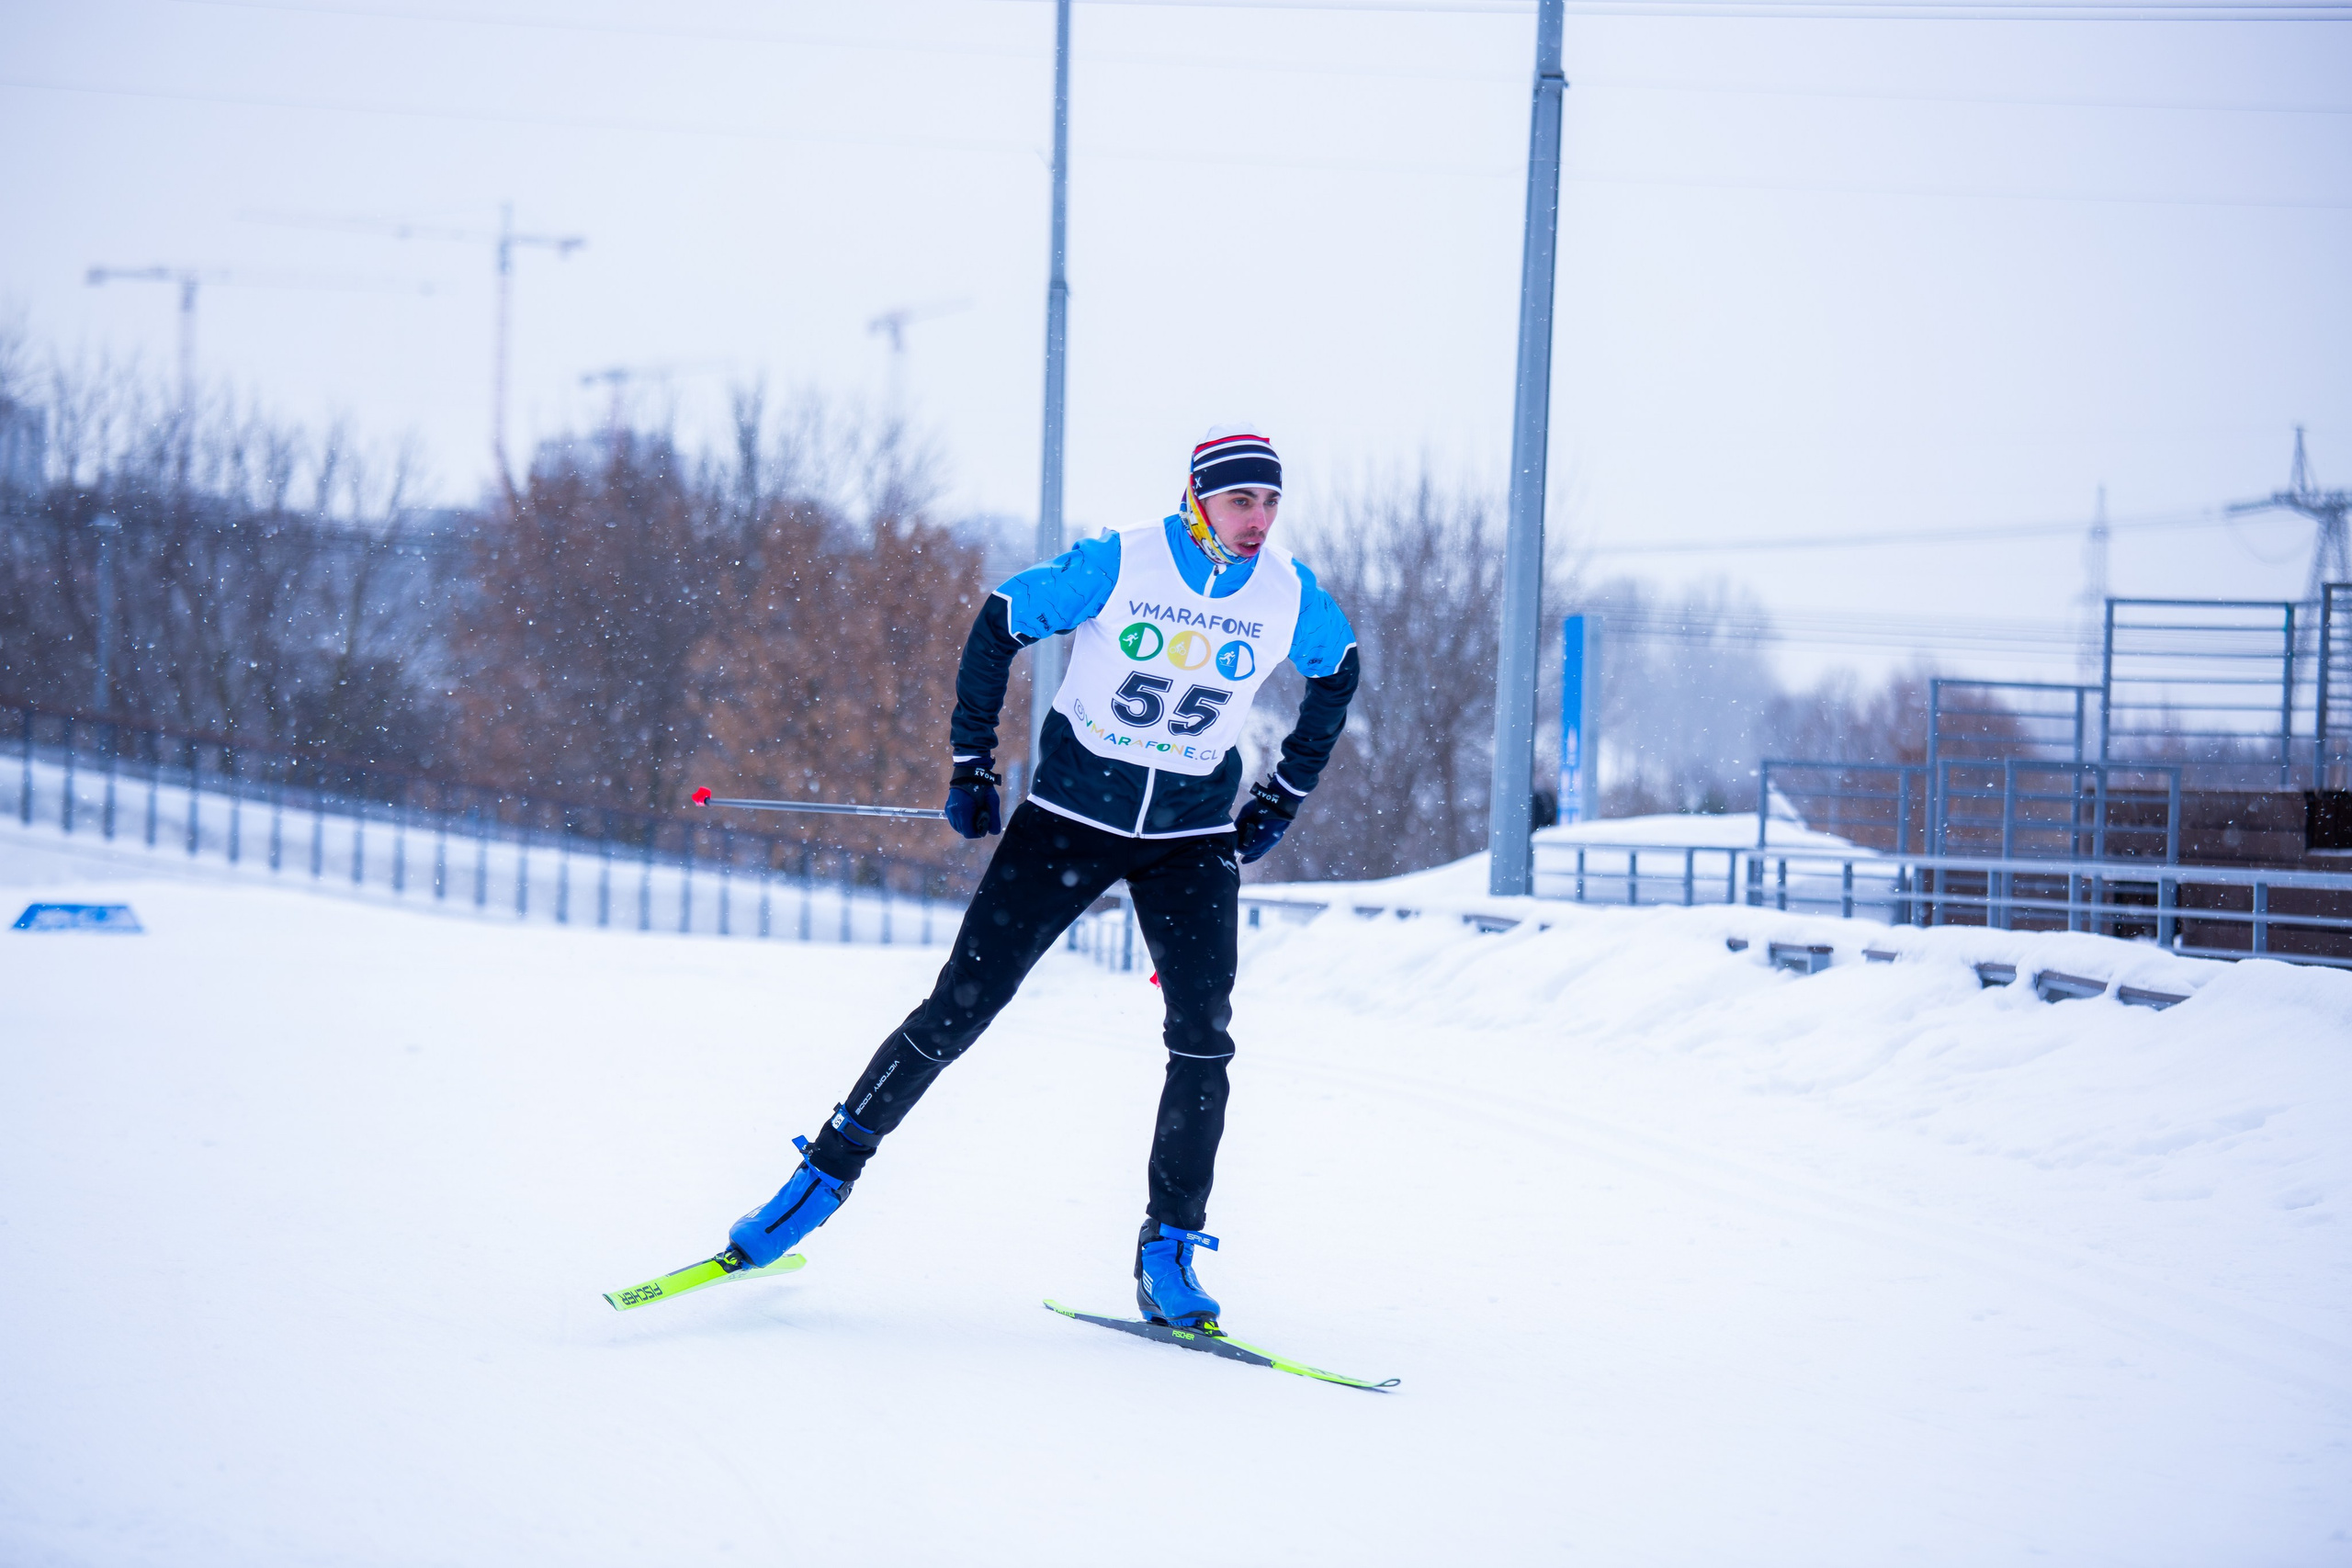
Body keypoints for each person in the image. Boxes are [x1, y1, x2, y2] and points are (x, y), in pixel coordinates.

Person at [726, 427, 1359, 1328]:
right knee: (958, 1008)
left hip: (1189, 836)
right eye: (1239, 500)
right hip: (1070, 819)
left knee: (1203, 1040)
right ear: (1197, 498)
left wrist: (1283, 793)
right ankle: (816, 1183)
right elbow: (1000, 620)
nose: (1257, 519)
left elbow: (1340, 672)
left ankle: (1168, 1252)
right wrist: (970, 763)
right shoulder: (1122, 561)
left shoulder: (1287, 593)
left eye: (1269, 502)